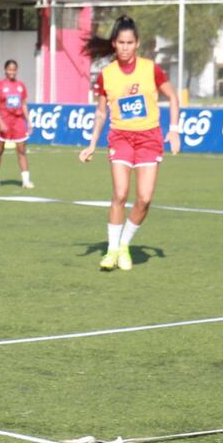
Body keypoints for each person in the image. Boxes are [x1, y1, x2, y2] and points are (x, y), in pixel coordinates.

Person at [78, 15, 180, 271]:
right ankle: (112, 252)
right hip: (121, 137)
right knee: (120, 194)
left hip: (149, 138)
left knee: (144, 199)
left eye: (129, 42)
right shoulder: (106, 75)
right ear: (114, 44)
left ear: (137, 44)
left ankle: (124, 245)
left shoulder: (150, 69)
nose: (125, 47)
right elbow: (101, 112)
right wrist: (92, 143)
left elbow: (173, 96)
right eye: (121, 42)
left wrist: (175, 130)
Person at [0, 59, 33, 189]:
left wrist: (29, 122)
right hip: (4, 121)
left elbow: (24, 104)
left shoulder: (21, 86)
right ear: (5, 70)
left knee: (21, 151)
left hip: (18, 122)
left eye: (14, 69)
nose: (12, 72)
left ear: (16, 70)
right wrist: (0, 122)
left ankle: (26, 181)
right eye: (9, 69)